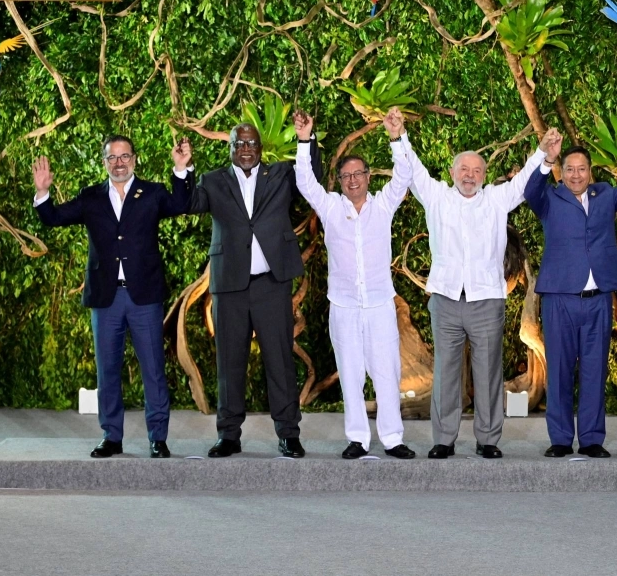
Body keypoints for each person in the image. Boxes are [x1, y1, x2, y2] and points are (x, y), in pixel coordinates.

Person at [403, 128, 561, 459]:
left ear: (485, 176)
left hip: (487, 300)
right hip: (446, 300)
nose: (470, 175)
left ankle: (488, 439)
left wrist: (543, 153)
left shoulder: (496, 199)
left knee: (489, 371)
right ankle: (443, 439)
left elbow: (522, 183)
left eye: (477, 170)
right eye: (464, 169)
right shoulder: (436, 196)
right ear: (452, 173)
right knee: (445, 372)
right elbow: (413, 167)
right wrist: (399, 136)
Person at [31, 135, 193, 458]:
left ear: (134, 159)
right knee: (107, 371)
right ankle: (111, 436)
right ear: (104, 162)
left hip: (144, 297)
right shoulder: (90, 197)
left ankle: (157, 438)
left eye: (124, 156)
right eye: (112, 158)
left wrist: (180, 169)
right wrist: (43, 192)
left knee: (153, 370)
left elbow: (182, 204)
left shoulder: (153, 194)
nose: (119, 163)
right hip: (106, 299)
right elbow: (52, 218)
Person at [188, 113, 322, 459]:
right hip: (229, 286)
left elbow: (313, 180)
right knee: (229, 363)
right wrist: (183, 170)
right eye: (239, 143)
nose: (246, 148)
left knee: (280, 361)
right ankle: (228, 436)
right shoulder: (213, 180)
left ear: (261, 148)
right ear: (230, 148)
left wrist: (306, 141)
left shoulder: (280, 175)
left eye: (251, 143)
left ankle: (289, 435)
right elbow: (190, 203)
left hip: (271, 285)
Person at [293, 107, 415, 460]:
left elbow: (404, 175)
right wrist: (304, 141)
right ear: (341, 181)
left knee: (387, 375)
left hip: (378, 305)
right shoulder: (331, 207)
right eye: (345, 176)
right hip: (344, 307)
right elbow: (304, 183)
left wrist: (396, 136)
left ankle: (392, 438)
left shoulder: (383, 205)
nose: (352, 180)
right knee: (350, 375)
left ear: (367, 177)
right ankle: (358, 438)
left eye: (358, 174)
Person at [524, 134, 617, 458]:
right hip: (559, 299)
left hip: (598, 300)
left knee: (595, 369)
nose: (576, 175)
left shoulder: (605, 194)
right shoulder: (549, 199)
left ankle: (593, 439)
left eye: (582, 169)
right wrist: (547, 158)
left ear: (590, 171)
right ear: (562, 171)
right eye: (570, 169)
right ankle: (561, 439)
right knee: (559, 371)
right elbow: (529, 191)